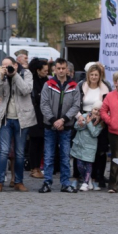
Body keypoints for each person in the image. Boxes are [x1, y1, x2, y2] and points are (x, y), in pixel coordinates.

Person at [0, 56, 36, 192]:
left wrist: (14, 75)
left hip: (22, 119)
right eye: (3, 66)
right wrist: (1, 77)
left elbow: (26, 90)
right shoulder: (2, 77)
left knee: (20, 153)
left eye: (8, 66)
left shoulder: (25, 74)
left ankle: (18, 181)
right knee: (3, 151)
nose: (7, 69)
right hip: (6, 118)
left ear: (15, 65)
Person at [38, 58, 80, 193]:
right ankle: (47, 182)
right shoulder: (48, 84)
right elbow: (44, 104)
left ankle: (65, 183)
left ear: (67, 69)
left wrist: (63, 120)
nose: (61, 71)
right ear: (54, 69)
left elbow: (76, 105)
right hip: (50, 125)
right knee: (49, 155)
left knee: (65, 155)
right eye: (58, 68)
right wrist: (54, 120)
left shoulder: (74, 85)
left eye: (63, 68)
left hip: (66, 126)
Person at [78, 63, 110, 190]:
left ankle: (99, 177)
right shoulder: (81, 86)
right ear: (88, 75)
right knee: (83, 150)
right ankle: (84, 177)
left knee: (100, 151)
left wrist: (100, 117)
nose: (94, 77)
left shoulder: (105, 87)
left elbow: (107, 105)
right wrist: (82, 117)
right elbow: (77, 103)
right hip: (85, 119)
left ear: (100, 75)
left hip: (100, 120)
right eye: (91, 74)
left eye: (96, 75)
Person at [71, 101, 103, 191]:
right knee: (79, 165)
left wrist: (89, 123)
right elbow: (76, 127)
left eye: (99, 110)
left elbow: (94, 133)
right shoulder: (85, 116)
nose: (96, 112)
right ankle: (87, 178)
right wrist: (84, 123)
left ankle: (85, 183)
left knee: (89, 164)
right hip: (80, 144)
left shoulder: (101, 123)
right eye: (95, 109)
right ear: (92, 109)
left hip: (90, 146)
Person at [28, 58, 48, 179]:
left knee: (41, 142)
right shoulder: (32, 81)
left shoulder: (45, 80)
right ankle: (33, 167)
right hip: (34, 114)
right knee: (34, 142)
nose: (47, 72)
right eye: (45, 70)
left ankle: (37, 167)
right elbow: (37, 97)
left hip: (43, 115)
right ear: (38, 70)